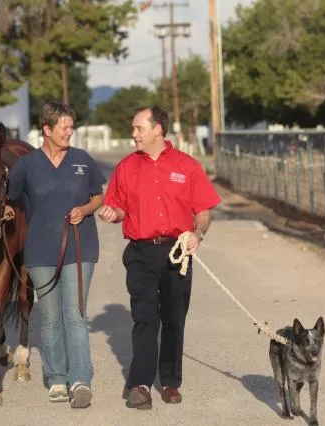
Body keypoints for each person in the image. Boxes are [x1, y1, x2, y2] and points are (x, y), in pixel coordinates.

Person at [98, 105, 221, 410]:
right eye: (134, 128)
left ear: (157, 129)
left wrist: (197, 233)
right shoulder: (126, 168)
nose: (133, 134)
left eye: (139, 128)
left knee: (174, 319)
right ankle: (140, 384)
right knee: (144, 317)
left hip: (176, 253)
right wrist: (112, 213)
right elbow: (119, 208)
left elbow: (204, 211)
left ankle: (169, 381)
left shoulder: (188, 166)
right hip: (140, 252)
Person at [7, 101, 106, 409]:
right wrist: (6, 211)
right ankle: (57, 378)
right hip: (40, 251)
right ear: (47, 130)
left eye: (71, 126)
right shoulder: (26, 165)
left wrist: (86, 209)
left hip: (80, 247)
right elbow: (9, 199)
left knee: (74, 315)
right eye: (64, 126)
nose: (69, 131)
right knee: (50, 318)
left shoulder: (82, 160)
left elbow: (99, 196)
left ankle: (80, 380)